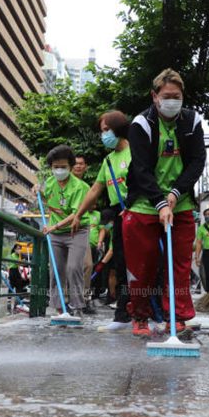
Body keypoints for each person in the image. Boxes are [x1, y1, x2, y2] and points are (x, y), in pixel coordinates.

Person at [122, 69, 206, 338]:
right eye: (166, 96)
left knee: (179, 264)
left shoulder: (192, 122)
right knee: (142, 265)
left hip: (179, 203)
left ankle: (176, 317)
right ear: (155, 96)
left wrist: (174, 194)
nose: (172, 101)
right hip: (144, 204)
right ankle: (140, 315)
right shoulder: (141, 125)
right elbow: (142, 169)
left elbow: (197, 162)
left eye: (177, 96)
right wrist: (160, 202)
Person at [72, 110, 133, 332]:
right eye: (102, 131)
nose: (104, 135)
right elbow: (96, 189)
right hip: (118, 213)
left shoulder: (136, 152)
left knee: (144, 265)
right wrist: (78, 214)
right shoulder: (108, 161)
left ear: (119, 128)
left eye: (107, 130)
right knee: (121, 263)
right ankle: (123, 314)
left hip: (138, 211)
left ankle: (152, 312)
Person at [42, 145, 90, 317]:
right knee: (56, 270)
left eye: (63, 167)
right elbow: (43, 196)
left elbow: (76, 214)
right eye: (56, 167)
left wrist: (53, 227)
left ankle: (77, 307)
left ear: (70, 167)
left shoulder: (80, 187)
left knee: (73, 267)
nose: (59, 170)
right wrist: (36, 192)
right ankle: (60, 307)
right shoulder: (48, 183)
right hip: (55, 235)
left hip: (76, 231)